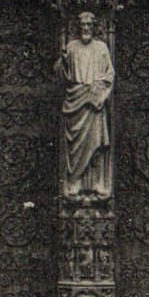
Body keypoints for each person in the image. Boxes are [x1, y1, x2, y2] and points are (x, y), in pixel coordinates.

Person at [56, 12, 114, 197]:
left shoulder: (101, 47)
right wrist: (63, 61)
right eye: (83, 25)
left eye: (90, 25)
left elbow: (109, 74)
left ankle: (97, 181)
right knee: (74, 146)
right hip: (75, 101)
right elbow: (60, 74)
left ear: (95, 27)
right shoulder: (71, 47)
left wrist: (98, 92)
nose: (86, 29)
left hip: (94, 102)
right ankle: (75, 181)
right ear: (79, 27)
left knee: (96, 143)